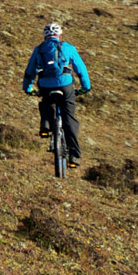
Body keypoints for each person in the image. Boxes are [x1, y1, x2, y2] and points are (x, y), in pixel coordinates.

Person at [22, 23, 91, 168]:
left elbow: (30, 71)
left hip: (46, 86)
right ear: (60, 35)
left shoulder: (39, 49)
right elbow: (81, 69)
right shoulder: (68, 47)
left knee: (45, 102)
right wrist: (85, 87)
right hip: (66, 86)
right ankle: (73, 156)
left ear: (45, 36)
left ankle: (45, 125)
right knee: (69, 119)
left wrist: (27, 88)